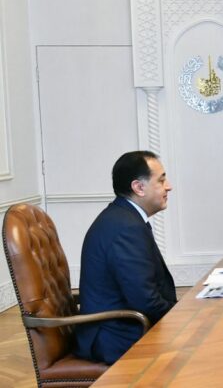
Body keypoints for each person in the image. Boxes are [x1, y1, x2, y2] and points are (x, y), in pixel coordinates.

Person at [74, 151, 177, 364]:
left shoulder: (123, 218)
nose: (169, 186)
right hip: (117, 336)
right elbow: (145, 300)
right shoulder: (126, 227)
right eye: (161, 180)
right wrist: (183, 316)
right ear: (139, 187)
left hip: (123, 326)